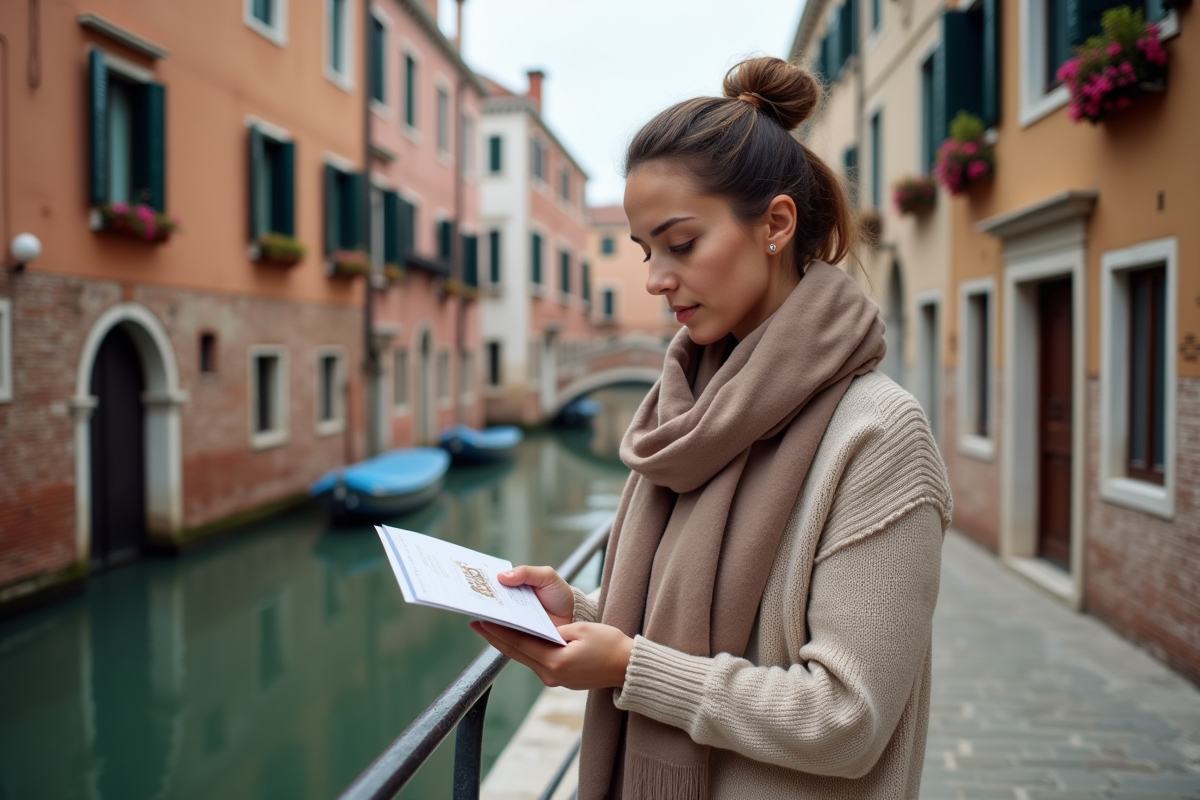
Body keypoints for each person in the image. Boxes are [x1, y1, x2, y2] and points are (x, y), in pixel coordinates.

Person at [470, 55, 952, 800]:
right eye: (644, 251)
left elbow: (849, 718)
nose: (655, 279)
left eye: (681, 243)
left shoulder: (879, 435)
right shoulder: (682, 415)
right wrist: (581, 610)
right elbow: (689, 624)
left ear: (776, 225)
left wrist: (629, 668)